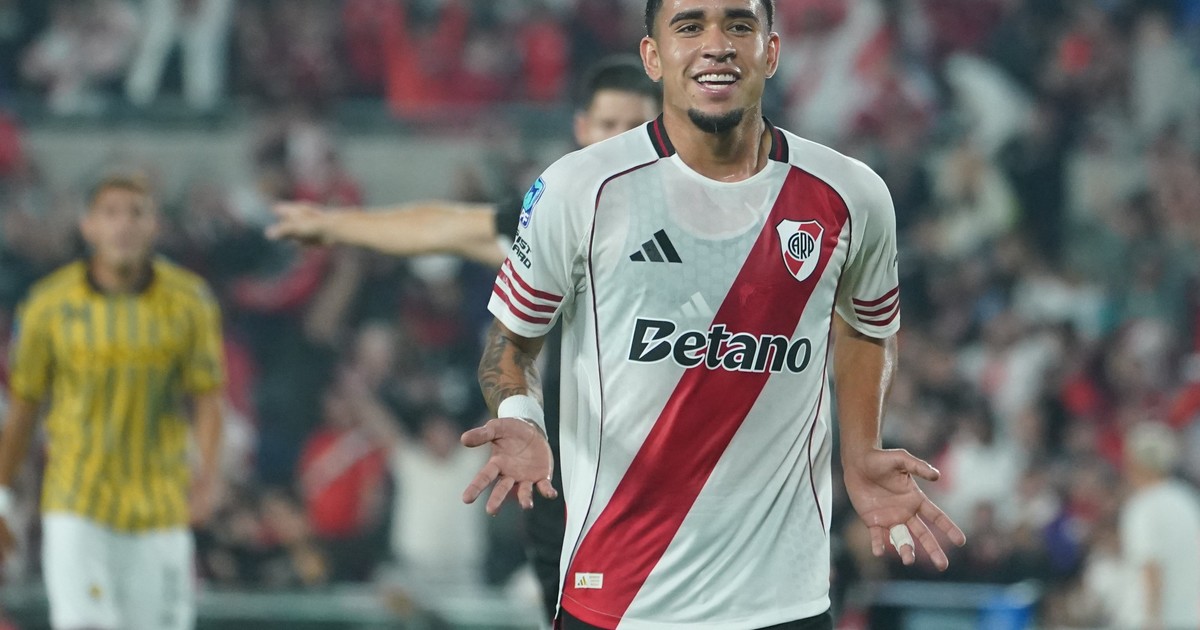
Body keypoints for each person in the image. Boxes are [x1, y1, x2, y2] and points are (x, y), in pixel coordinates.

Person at [462, 1, 967, 628]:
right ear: (653, 56)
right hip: (620, 597)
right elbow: (511, 342)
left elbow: (869, 327)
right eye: (689, 25)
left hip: (785, 601)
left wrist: (861, 450)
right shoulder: (578, 189)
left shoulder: (852, 194)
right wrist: (520, 414)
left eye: (739, 24)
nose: (717, 43)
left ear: (771, 51)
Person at [265, 55, 661, 624]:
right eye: (608, 125)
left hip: (670, 483)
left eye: (635, 126)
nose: (618, 141)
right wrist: (335, 224)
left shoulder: (704, 222)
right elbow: (445, 226)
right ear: (581, 129)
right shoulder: (552, 223)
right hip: (573, 488)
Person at [0, 175, 225, 630]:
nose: (124, 225)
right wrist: (1, 496)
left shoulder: (190, 302)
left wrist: (208, 476)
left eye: (136, 213)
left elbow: (207, 398)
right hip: (76, 503)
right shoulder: (48, 305)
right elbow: (25, 409)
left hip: (161, 507)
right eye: (110, 213)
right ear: (88, 226)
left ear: (155, 226)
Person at [1117, 422, 1200, 630]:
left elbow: (1151, 566)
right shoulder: (1188, 500)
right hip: (1190, 617)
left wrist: (1152, 620)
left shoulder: (1143, 506)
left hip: (1154, 620)